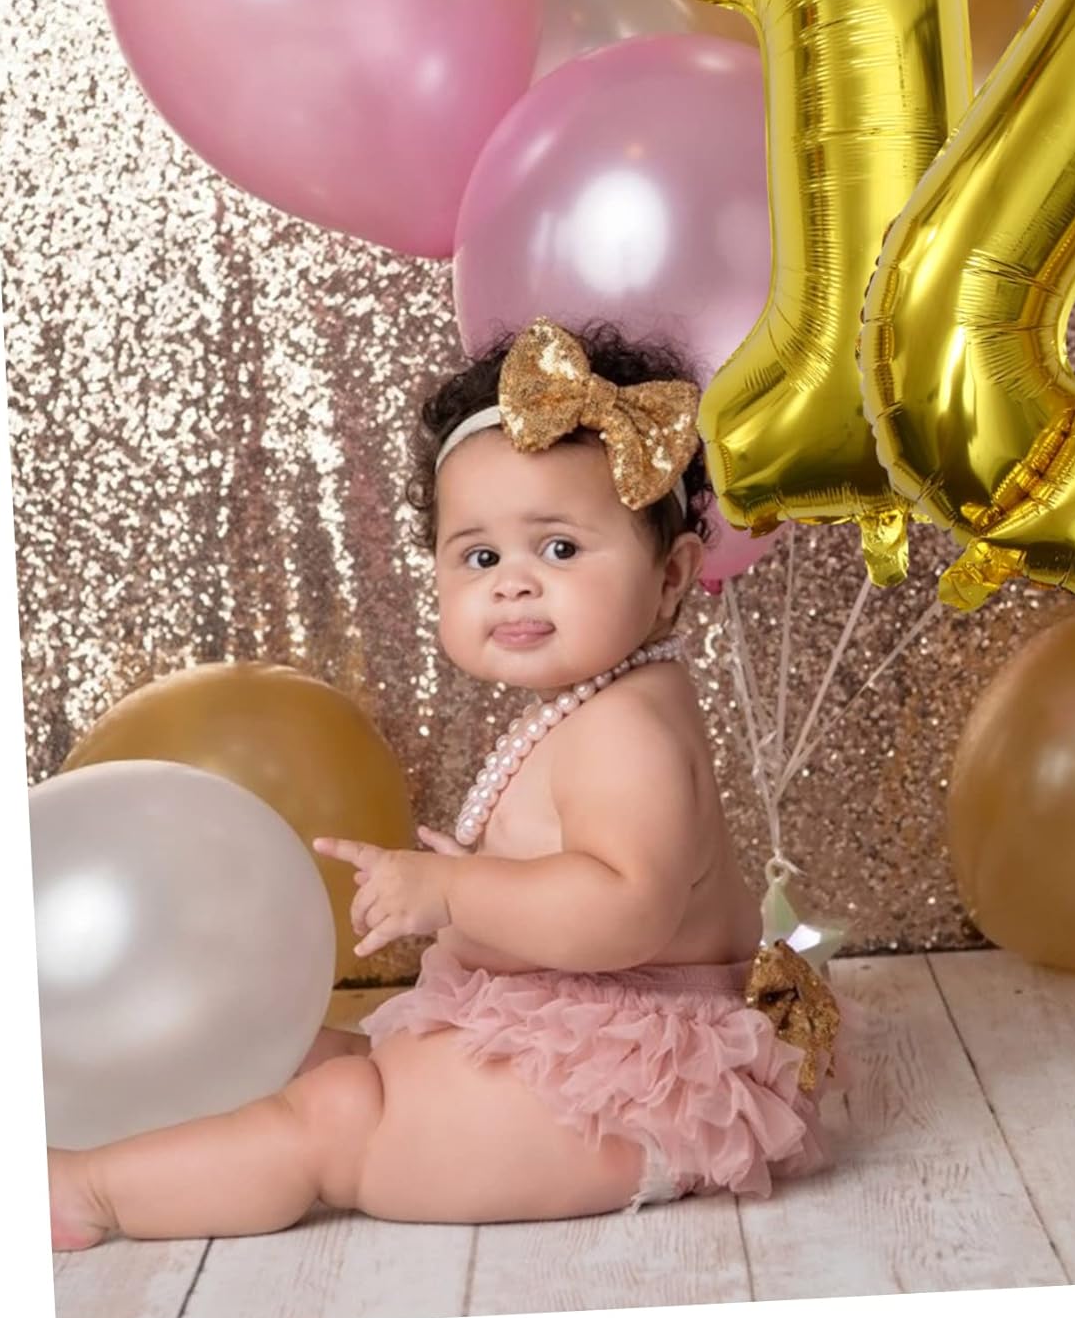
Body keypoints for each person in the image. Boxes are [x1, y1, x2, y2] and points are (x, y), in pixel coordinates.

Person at [48, 317, 840, 1250]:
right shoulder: (605, 698)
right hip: (574, 1039)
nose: (514, 584)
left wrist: (456, 889)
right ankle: (150, 1143)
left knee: (339, 1118)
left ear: (671, 576)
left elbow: (626, 909)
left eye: (559, 549)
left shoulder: (628, 730)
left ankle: (88, 1193)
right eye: (480, 557)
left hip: (629, 1093)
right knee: (309, 1060)